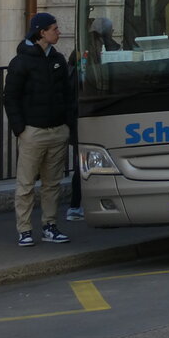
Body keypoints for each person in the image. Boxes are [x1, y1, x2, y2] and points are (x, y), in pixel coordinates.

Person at [2, 12, 76, 246]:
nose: (58, 32)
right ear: (41, 32)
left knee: (52, 184)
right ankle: (24, 229)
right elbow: (10, 97)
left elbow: (68, 94)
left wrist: (67, 124)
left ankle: (49, 226)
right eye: (54, 28)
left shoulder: (58, 59)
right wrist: (20, 129)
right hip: (33, 132)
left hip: (57, 130)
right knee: (25, 185)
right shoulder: (21, 62)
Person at [65, 17, 121, 221]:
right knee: (87, 164)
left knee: (84, 164)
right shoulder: (103, 49)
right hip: (91, 112)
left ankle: (76, 205)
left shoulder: (80, 50)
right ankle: (79, 205)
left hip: (80, 113)